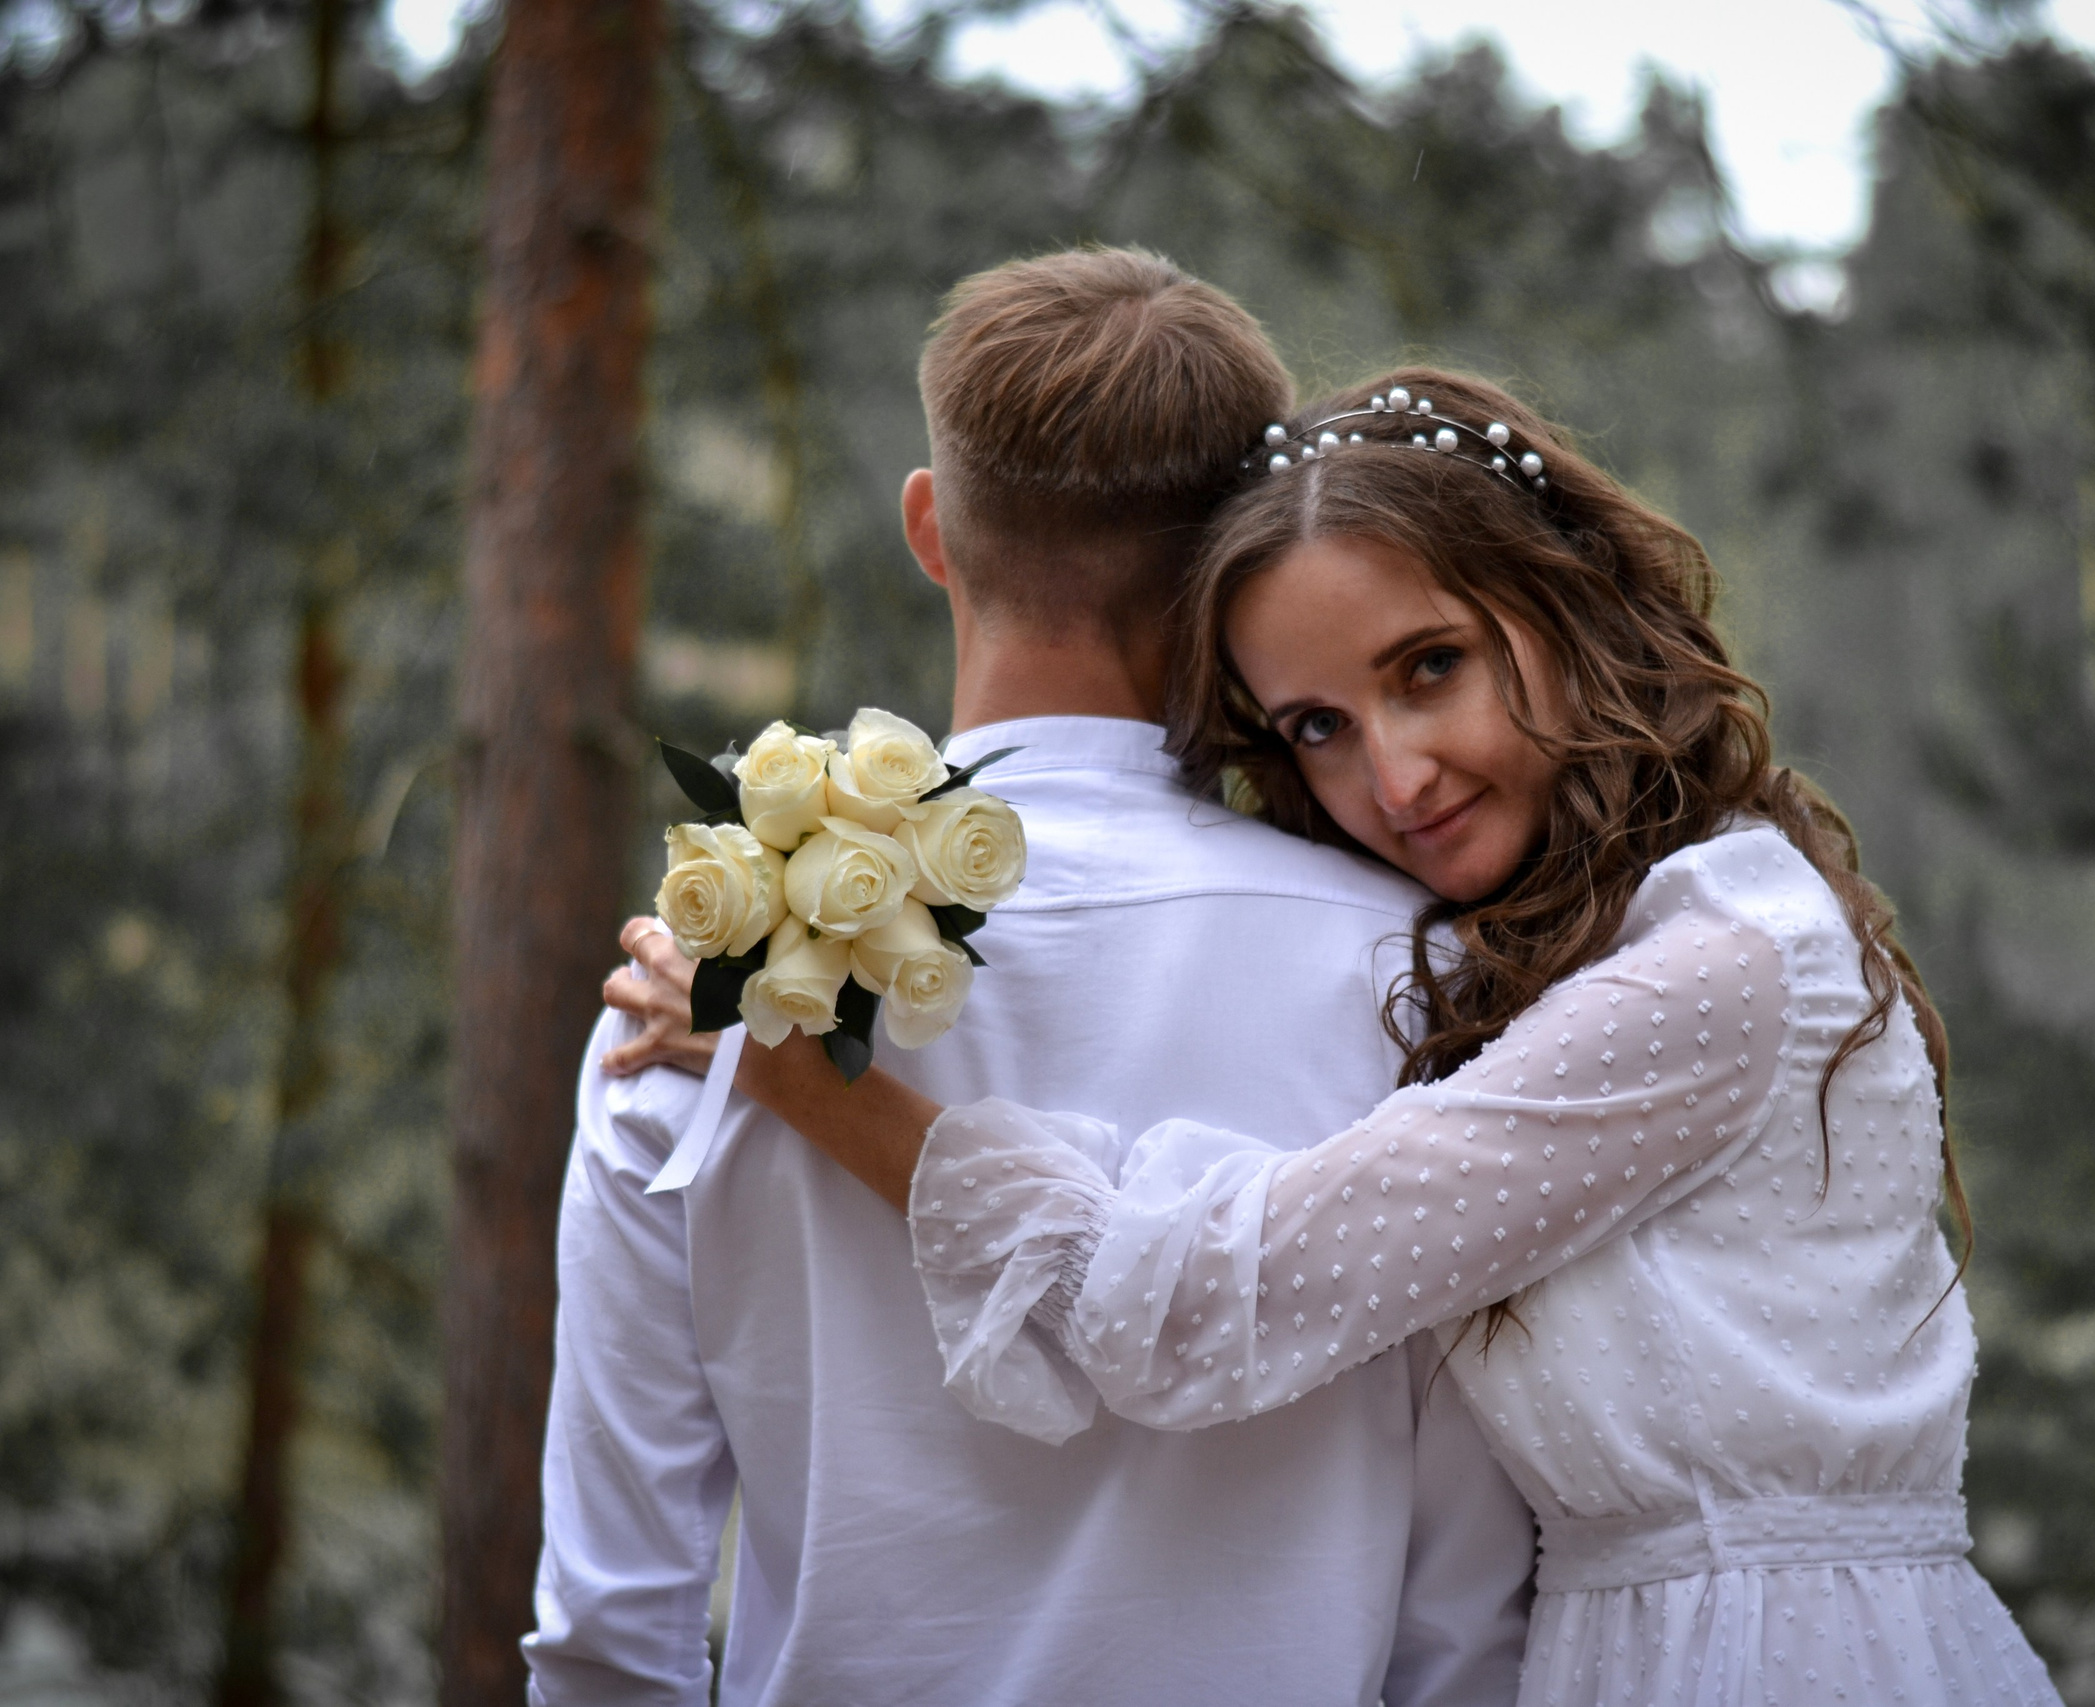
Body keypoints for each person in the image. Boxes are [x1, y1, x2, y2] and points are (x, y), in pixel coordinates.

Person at [701, 368, 2070, 1706]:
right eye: (1320, 727)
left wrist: (813, 1082)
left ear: (1565, 596)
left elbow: (1203, 1307)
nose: (1396, 778)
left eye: (1431, 667)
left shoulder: (1720, 966)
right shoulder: (1576, 958)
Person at [527, 257, 1535, 1705]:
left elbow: (610, 1633)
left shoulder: (712, 983)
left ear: (930, 528)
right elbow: (1466, 1628)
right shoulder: (1422, 980)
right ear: (1232, 562)